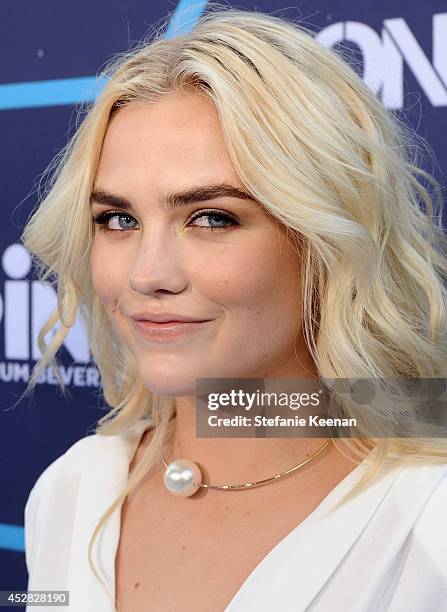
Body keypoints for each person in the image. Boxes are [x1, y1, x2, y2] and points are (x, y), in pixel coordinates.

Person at [21, 6, 447, 612]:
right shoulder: (73, 488)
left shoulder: (430, 514)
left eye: (212, 217)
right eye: (118, 219)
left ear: (324, 241)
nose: (147, 274)